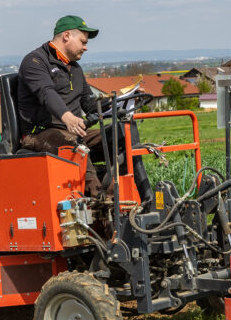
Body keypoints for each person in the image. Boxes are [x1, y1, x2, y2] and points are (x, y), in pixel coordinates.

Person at [17, 15, 151, 200]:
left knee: (122, 134)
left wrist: (124, 101)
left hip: (73, 131)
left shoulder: (75, 69)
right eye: (83, 42)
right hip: (40, 133)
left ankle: (122, 199)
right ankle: (99, 201)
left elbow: (90, 104)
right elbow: (46, 93)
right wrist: (67, 116)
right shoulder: (35, 62)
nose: (86, 47)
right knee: (75, 145)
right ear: (66, 36)